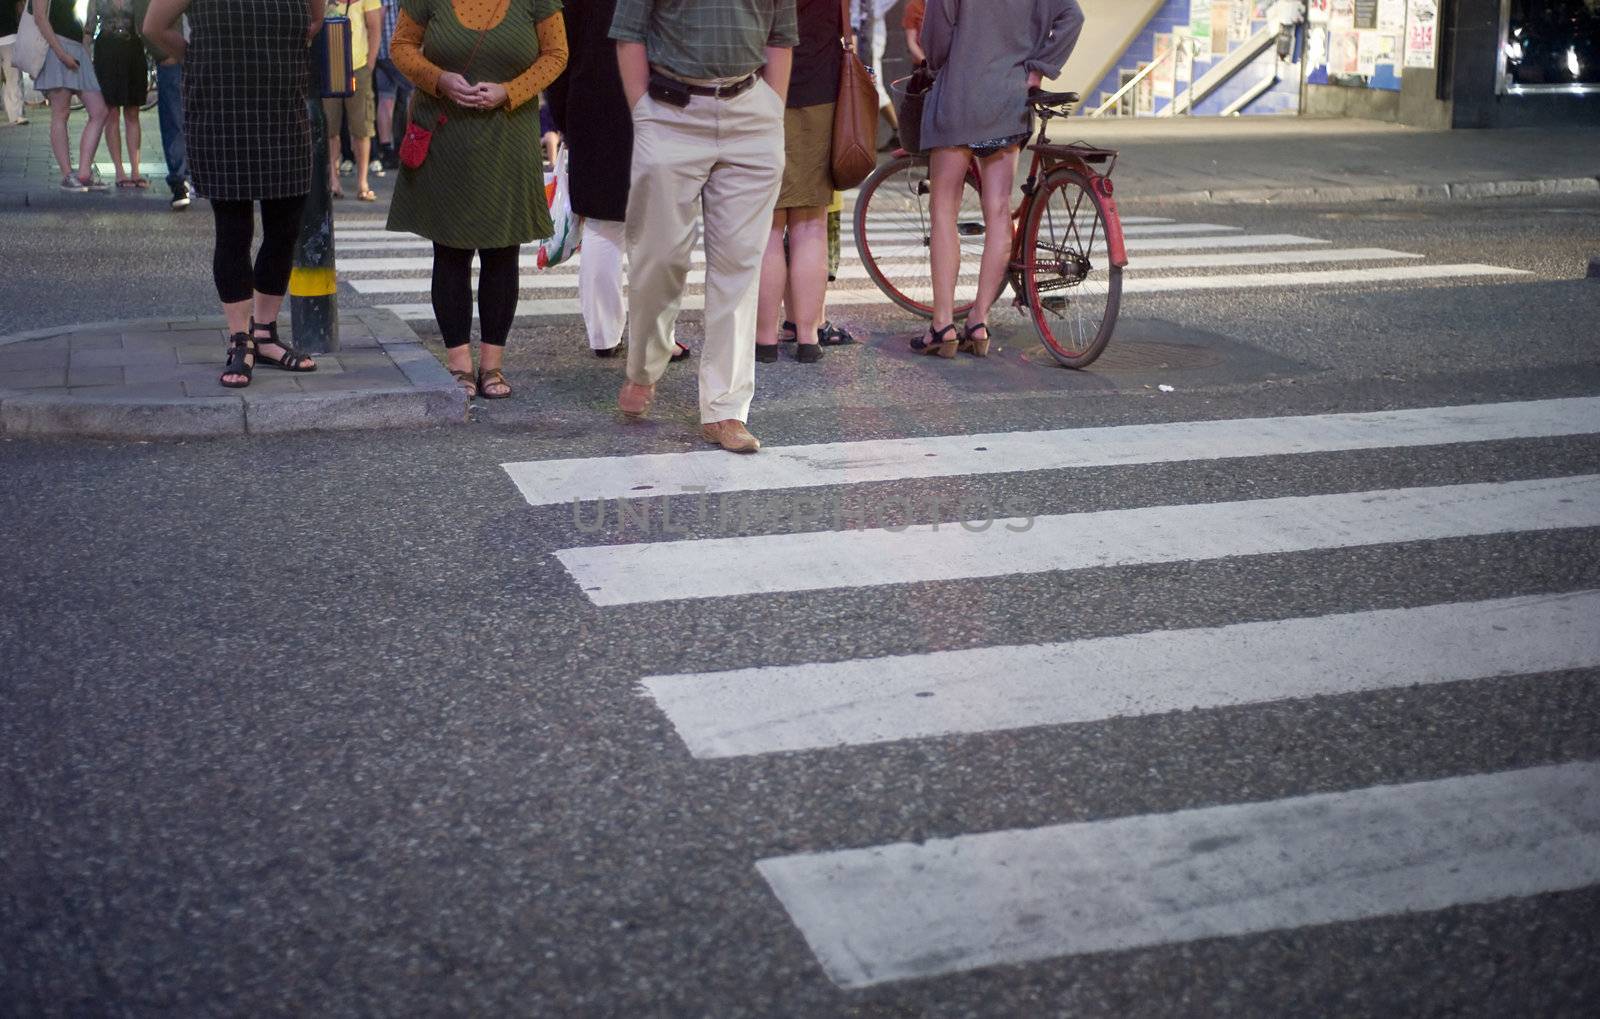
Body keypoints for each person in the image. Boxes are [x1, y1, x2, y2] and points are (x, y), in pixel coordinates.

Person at [610, 0, 797, 454]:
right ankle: (645, 367)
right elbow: (629, 34)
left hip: (750, 111)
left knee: (740, 266)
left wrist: (772, 107)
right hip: (671, 111)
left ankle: (725, 408)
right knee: (658, 258)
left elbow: (780, 37)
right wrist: (643, 114)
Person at [387, 0, 568, 400]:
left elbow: (556, 54)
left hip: (509, 134)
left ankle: (492, 365)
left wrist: (511, 91)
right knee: (449, 250)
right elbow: (401, 46)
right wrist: (438, 79)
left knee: (502, 251)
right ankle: (458, 364)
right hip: (445, 134)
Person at [144, 0, 324, 387]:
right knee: (234, 229)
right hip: (222, 109)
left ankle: (265, 334)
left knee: (285, 227)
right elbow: (153, 27)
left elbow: (315, 21)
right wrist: (197, 57)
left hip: (283, 107)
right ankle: (239, 338)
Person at [917, 0, 1081, 359]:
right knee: (998, 211)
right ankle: (978, 321)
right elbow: (1073, 15)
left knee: (944, 208)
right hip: (1010, 99)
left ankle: (942, 324)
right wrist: (1038, 70)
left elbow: (937, 39)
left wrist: (935, 62)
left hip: (959, 94)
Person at [545, 0, 688, 362]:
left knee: (601, 224)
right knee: (655, 229)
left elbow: (561, 52)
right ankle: (656, 337)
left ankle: (604, 335)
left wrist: (564, 116)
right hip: (653, 103)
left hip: (589, 102)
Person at [755, 0, 841, 365]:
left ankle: (765, 339)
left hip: (764, 90)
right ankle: (808, 336)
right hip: (821, 90)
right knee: (811, 223)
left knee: (768, 226)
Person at [33, 0, 112, 191]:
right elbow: (40, 17)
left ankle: (84, 172)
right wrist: (61, 54)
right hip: (57, 47)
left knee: (100, 111)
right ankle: (68, 174)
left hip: (76, 47)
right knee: (61, 113)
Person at [133, 0, 191, 208]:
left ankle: (187, 178)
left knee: (184, 118)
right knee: (175, 119)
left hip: (202, 56)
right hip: (176, 57)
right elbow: (145, 21)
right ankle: (179, 180)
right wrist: (164, 54)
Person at [88, 0, 148, 187]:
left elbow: (146, 23)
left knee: (132, 112)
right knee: (111, 113)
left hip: (133, 52)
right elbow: (89, 26)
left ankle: (136, 171)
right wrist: (82, 54)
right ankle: (119, 172)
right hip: (106, 53)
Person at [325, 0, 382, 199]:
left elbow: (375, 28)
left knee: (362, 128)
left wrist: (369, 65)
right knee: (330, 128)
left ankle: (362, 182)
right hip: (329, 69)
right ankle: (333, 181)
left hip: (357, 68)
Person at [852, 0, 897, 150]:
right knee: (864, 85)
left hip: (870, 37)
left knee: (873, 84)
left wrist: (871, 11)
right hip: (854, 33)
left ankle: (898, 130)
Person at [372, 0, 406, 170]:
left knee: (386, 99)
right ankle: (406, 147)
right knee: (411, 95)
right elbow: (381, 13)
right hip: (396, 51)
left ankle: (387, 150)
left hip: (381, 52)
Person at [2, 0, 30, 127]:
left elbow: (20, 7)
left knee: (13, 77)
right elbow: (20, 7)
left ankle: (16, 114)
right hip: (10, 35)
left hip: (10, 36)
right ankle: (16, 115)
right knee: (13, 78)